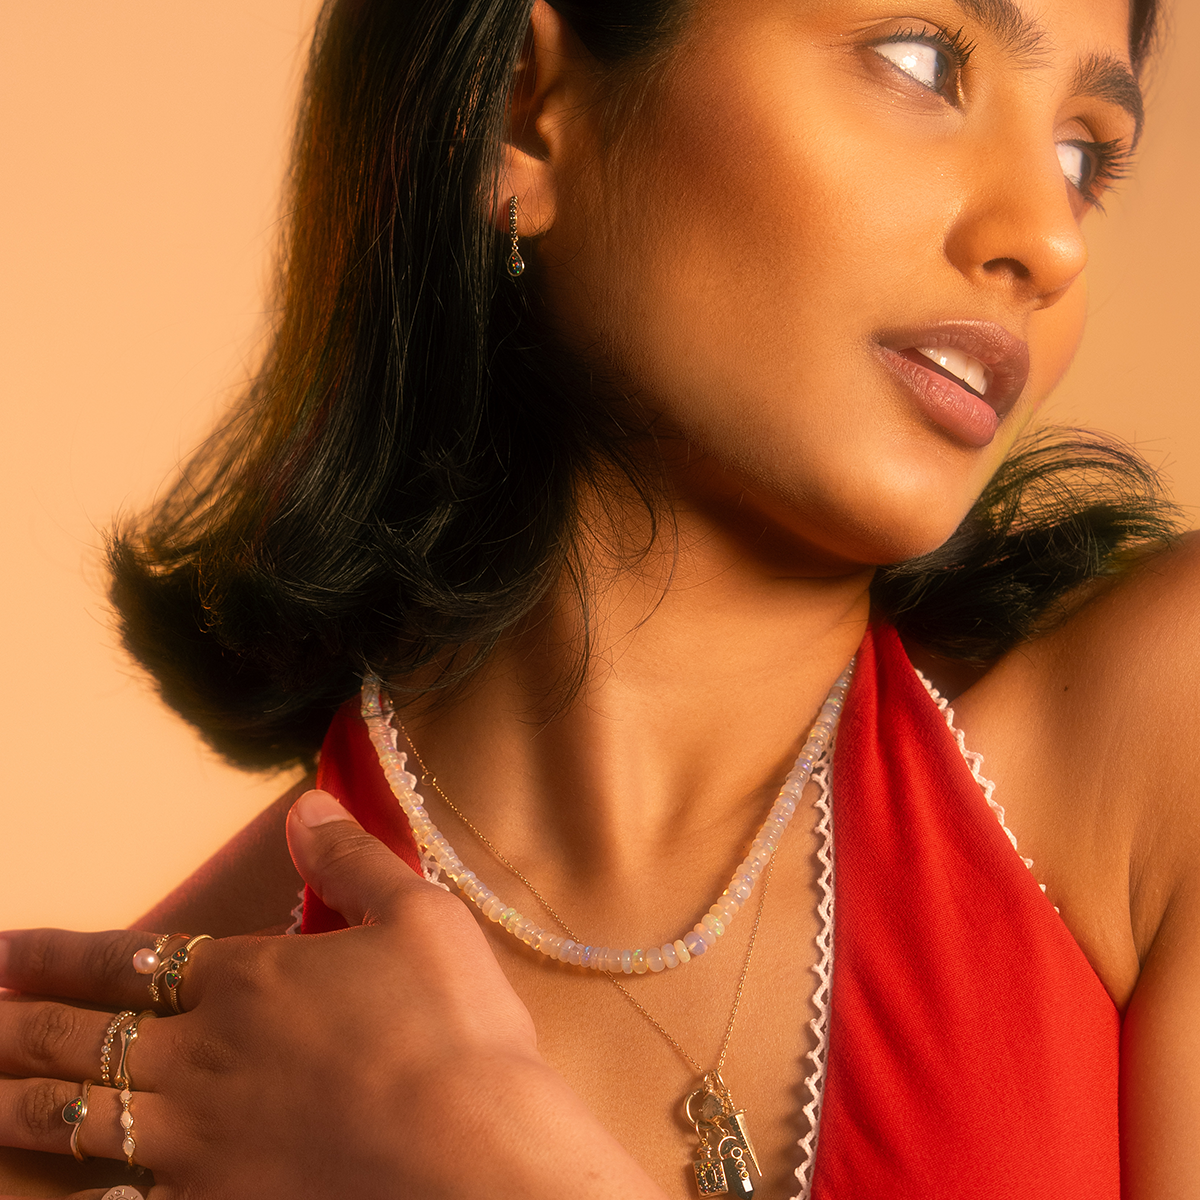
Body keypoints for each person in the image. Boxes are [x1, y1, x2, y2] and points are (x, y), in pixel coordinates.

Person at [1, 0, 1196, 1196]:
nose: (1051, 239)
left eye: (1082, 154)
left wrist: (484, 1162)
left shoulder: (1154, 742)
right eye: (924, 62)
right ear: (525, 109)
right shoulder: (146, 1081)